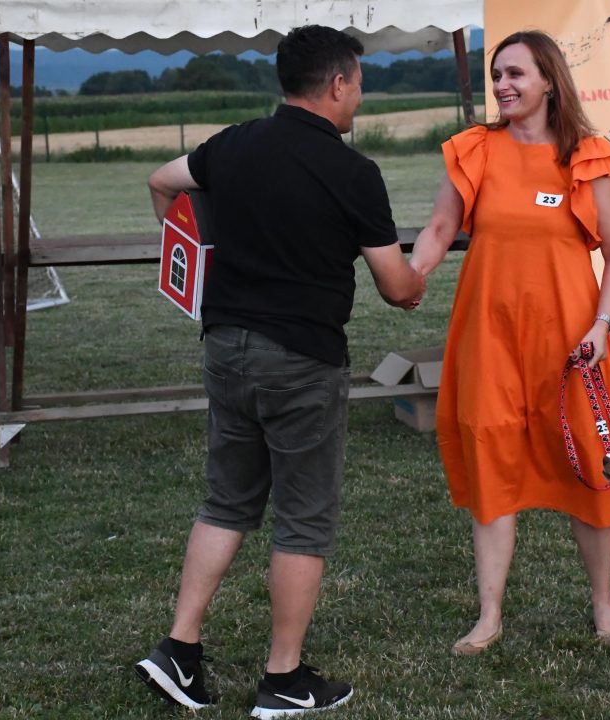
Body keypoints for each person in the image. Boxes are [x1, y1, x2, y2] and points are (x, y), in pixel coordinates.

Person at [134, 25, 425, 717]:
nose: (360, 96)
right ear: (337, 84)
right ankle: (284, 678)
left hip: (225, 347)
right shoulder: (353, 173)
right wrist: (419, 278)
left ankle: (179, 650)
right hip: (301, 359)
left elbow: (161, 181)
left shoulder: (233, 144)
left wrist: (190, 257)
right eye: (359, 83)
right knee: (303, 522)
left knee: (226, 503)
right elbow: (396, 286)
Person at [410, 30, 610, 655]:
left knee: (589, 465)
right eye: (496, 75)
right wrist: (412, 275)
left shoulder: (588, 157)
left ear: (548, 82)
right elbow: (439, 228)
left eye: (515, 74)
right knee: (492, 460)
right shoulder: (477, 149)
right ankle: (489, 616)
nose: (502, 85)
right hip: (489, 337)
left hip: (572, 339)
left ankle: (604, 605)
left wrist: (602, 324)